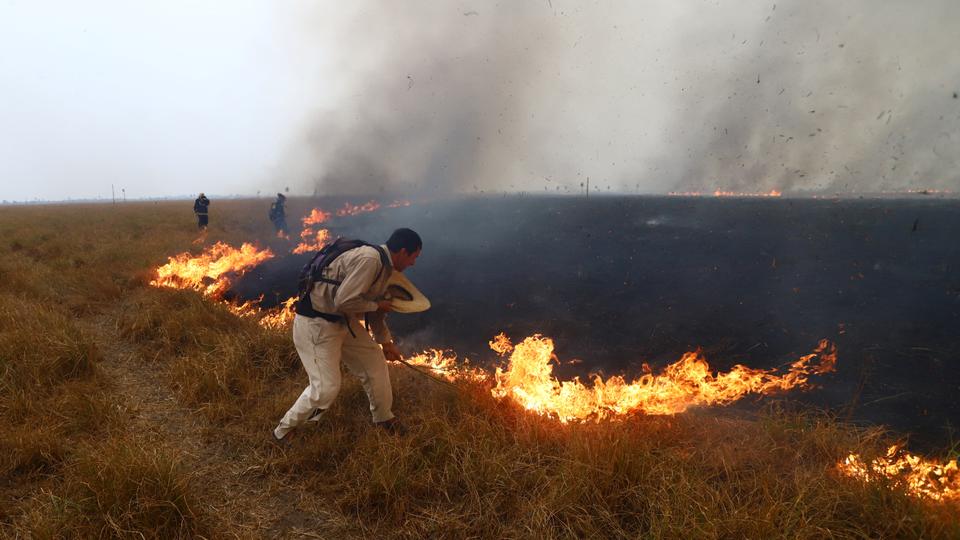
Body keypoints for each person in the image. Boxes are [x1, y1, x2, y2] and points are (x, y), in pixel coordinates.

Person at [273, 228, 423, 441]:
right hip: (317, 325)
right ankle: (284, 431)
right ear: (402, 251)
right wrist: (377, 304)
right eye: (414, 257)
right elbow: (343, 301)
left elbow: (376, 311)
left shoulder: (384, 266)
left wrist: (386, 343)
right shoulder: (371, 260)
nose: (413, 263)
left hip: (342, 322)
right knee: (326, 387)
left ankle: (383, 417)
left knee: (374, 362)